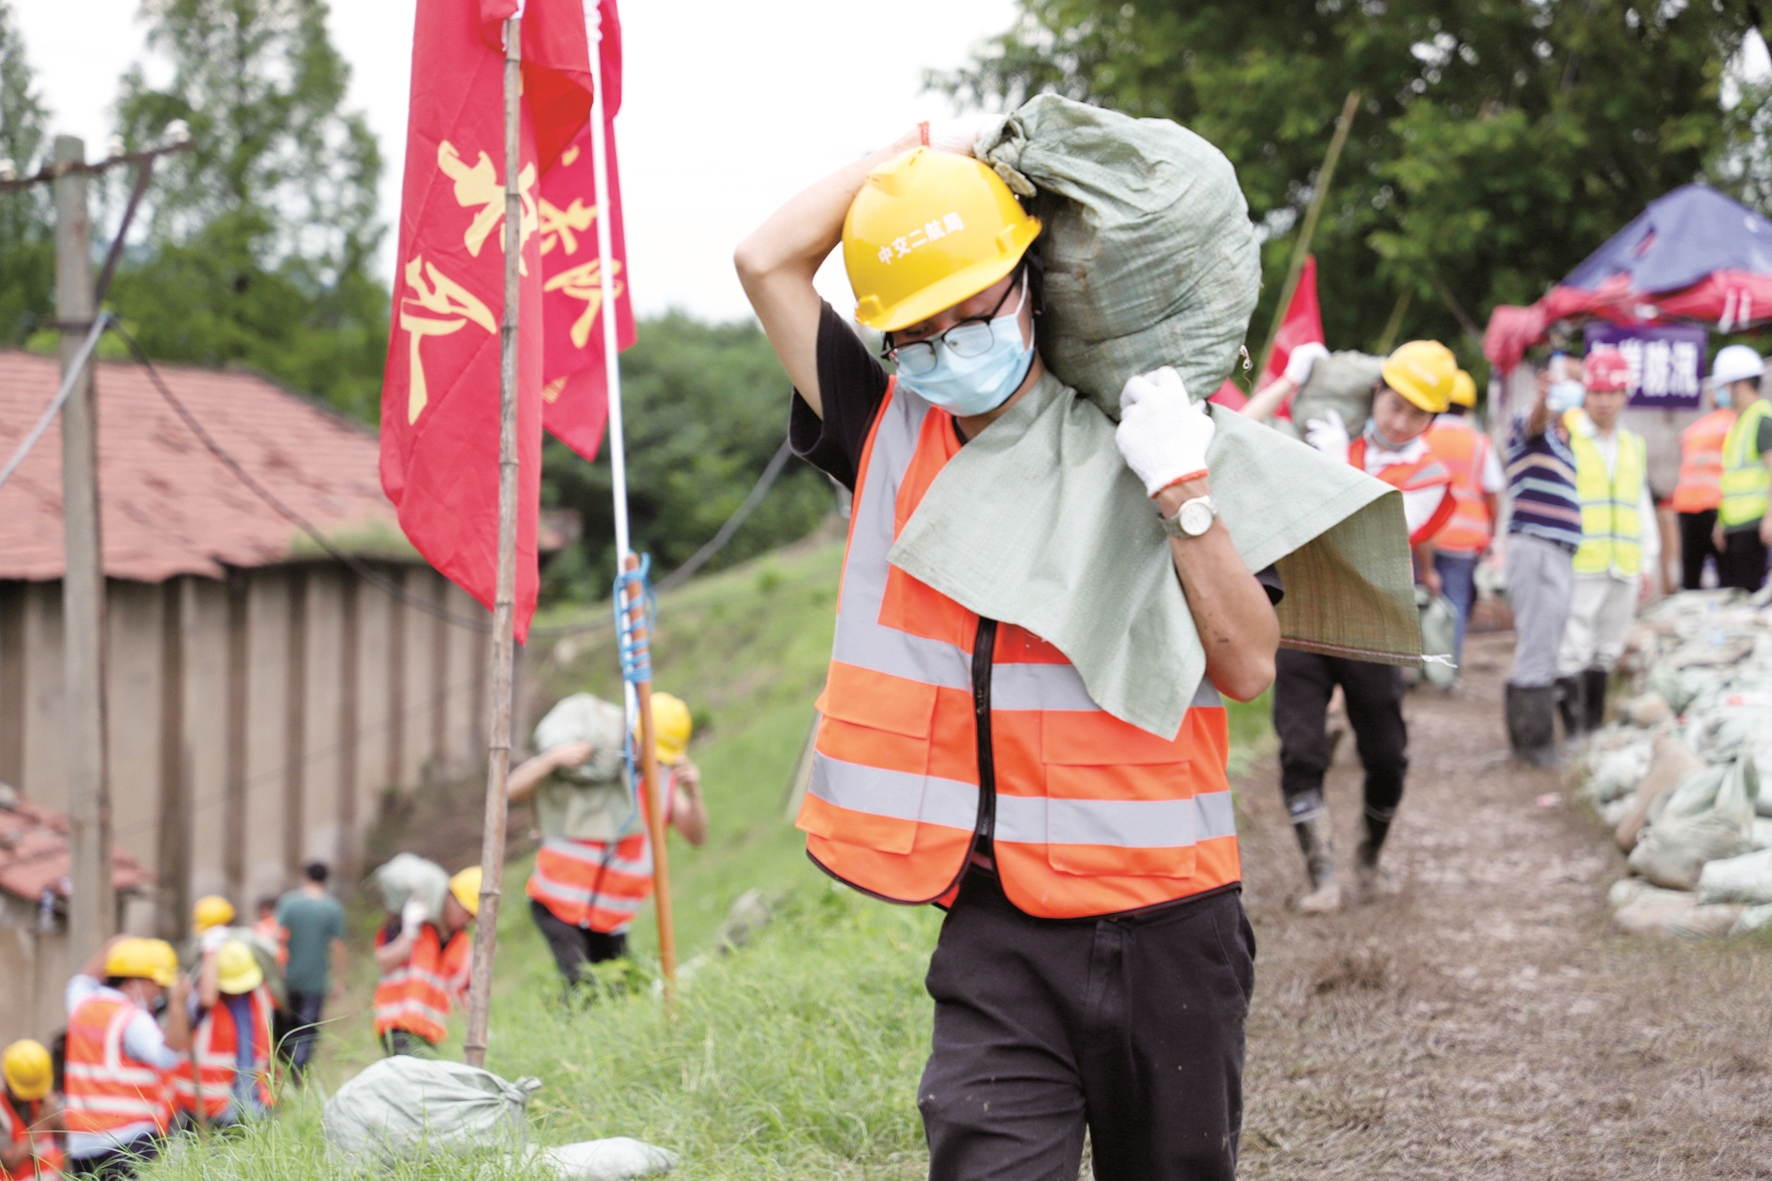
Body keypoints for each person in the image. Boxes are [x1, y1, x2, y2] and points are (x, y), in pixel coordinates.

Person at [736, 125, 1280, 1181]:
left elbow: (1247, 665)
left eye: (970, 313)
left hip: (1170, 912)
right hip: (998, 925)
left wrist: (1181, 493)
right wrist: (916, 163)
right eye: (916, 333)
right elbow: (765, 261)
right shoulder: (887, 426)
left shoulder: (1153, 427)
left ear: (1027, 285)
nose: (947, 349)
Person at [1284, 340, 1457, 912]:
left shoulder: (1430, 472)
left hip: (1372, 620)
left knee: (1386, 753)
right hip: (1304, 610)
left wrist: (1338, 465)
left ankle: (1368, 858)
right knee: (1301, 747)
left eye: (1417, 413)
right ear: (1377, 390)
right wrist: (1293, 382)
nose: (1400, 420)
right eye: (1394, 403)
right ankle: (1321, 877)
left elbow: (1379, 531)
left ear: (1432, 418)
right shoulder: (1335, 428)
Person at [510, 691, 706, 991]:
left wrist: (694, 793)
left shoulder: (664, 781)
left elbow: (696, 837)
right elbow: (510, 791)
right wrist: (551, 759)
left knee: (616, 992)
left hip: (611, 916)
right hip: (559, 902)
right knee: (583, 986)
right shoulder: (594, 766)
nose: (654, 762)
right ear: (634, 735)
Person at [1556, 349, 1657, 735]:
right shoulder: (1568, 437)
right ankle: (1573, 732)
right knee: (1574, 648)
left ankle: (1594, 727)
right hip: (1583, 561)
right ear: (1585, 392)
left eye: (1611, 392)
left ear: (1624, 395)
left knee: (1607, 649)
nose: (1602, 400)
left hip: (1624, 561)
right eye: (1595, 391)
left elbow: (1640, 503)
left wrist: (1647, 559)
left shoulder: (1633, 444)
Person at [1500, 362, 1585, 764]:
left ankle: (1535, 740)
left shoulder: (1565, 443)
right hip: (1536, 547)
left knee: (1548, 643)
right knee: (1536, 644)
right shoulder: (1532, 429)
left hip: (1558, 551)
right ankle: (1531, 743)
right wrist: (1541, 400)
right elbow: (1533, 421)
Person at [63, 938, 189, 1179]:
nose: (160, 993)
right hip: (129, 1141)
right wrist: (177, 1004)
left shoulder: (82, 1004)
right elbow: (168, 1056)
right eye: (158, 985)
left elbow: (81, 981)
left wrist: (116, 943)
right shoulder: (132, 1019)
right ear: (135, 981)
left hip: (81, 1144)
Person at [1424, 369, 1504, 661]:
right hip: (1463, 539)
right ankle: (1446, 669)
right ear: (1468, 406)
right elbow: (1493, 490)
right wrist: (1492, 532)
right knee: (1456, 603)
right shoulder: (1479, 442)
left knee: (1417, 600)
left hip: (1423, 536)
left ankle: (1412, 667)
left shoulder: (1422, 434)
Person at [371, 865, 478, 1056]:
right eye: (466, 911)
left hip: (432, 1033)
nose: (467, 920)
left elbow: (464, 989)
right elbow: (384, 961)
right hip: (397, 1025)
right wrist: (409, 933)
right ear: (450, 898)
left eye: (472, 916)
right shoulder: (410, 924)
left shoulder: (461, 943)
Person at [170, 941, 275, 1128]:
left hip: (255, 1103)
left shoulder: (260, 998)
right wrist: (209, 953)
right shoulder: (204, 1006)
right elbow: (206, 998)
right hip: (208, 1110)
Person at [1671, 357, 1740, 589]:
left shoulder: (1695, 428)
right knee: (1726, 577)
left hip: (1686, 507)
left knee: (1691, 575)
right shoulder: (1736, 424)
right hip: (1716, 507)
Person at [274, 862, 345, 1077]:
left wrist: (276, 971)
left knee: (286, 1028)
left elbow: (277, 937)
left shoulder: (289, 903)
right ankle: (298, 1072)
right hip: (315, 981)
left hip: (287, 978)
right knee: (307, 1030)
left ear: (305, 877)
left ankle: (287, 1070)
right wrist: (338, 981)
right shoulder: (333, 908)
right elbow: (337, 947)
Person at [1712, 344, 1771, 591]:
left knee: (1751, 598)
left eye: (1724, 385)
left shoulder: (1762, 419)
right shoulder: (1740, 422)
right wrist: (1721, 522)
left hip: (1756, 527)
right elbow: (1732, 481)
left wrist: (1770, 518)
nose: (1720, 393)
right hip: (1736, 526)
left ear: (1741, 383)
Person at [1, 1040, 62, 1181]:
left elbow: (68, 1137)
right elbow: (10, 1159)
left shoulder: (42, 1101)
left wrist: (56, 1116)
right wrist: (42, 1124)